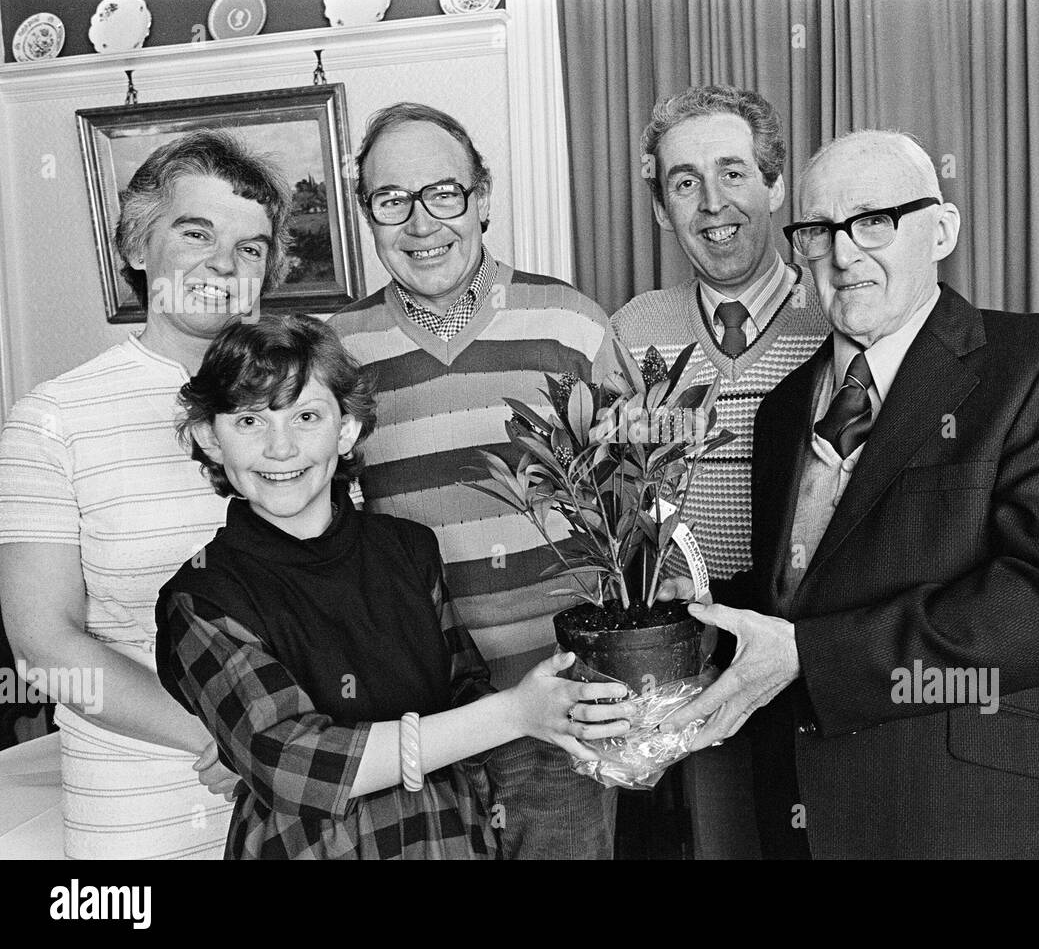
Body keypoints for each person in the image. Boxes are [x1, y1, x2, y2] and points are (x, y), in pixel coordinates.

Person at [659, 129, 1039, 859]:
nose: (844, 254)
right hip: (807, 815)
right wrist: (678, 625)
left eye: (875, 220)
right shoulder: (784, 406)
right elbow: (811, 589)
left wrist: (813, 656)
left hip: (978, 821)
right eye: (818, 230)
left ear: (940, 230)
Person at [153, 314, 631, 859]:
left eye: (306, 415)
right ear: (208, 439)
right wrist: (513, 712)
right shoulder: (202, 596)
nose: (280, 448)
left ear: (348, 429)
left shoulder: (409, 549)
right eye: (248, 422)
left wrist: (560, 711)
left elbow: (464, 687)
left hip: (448, 839)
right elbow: (292, 763)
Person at [328, 103, 620, 859]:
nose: (421, 223)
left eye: (444, 194)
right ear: (369, 215)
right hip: (418, 724)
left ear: (482, 198)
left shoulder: (573, 325)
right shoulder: (334, 352)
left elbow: (631, 518)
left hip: (561, 707)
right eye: (392, 200)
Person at [0, 129, 292, 859]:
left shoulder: (305, 404)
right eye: (197, 231)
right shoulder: (55, 416)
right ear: (137, 247)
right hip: (138, 812)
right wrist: (219, 735)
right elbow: (44, 643)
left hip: (306, 793)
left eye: (250, 246)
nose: (224, 262)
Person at [611, 85, 825, 860]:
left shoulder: (836, 320)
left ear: (774, 185)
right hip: (688, 646)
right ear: (664, 211)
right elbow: (616, 498)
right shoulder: (634, 330)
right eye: (685, 182)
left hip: (812, 641)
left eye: (734, 173)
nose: (712, 204)